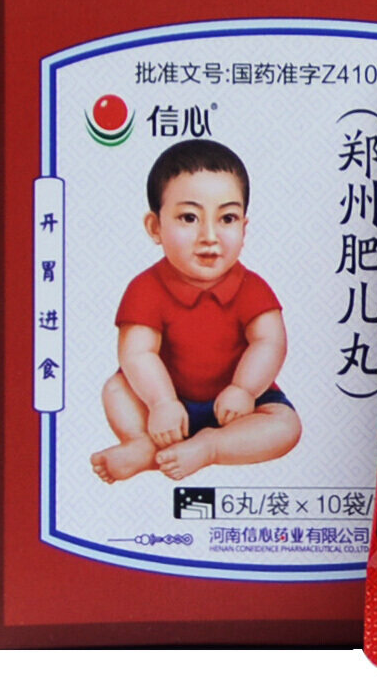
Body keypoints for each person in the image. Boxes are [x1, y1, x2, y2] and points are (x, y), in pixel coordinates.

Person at [91, 139, 301, 483]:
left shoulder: (252, 287)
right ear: (155, 227)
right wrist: (161, 402)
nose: (209, 236)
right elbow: (137, 353)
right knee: (116, 389)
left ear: (244, 228)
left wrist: (244, 389)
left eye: (227, 218)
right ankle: (142, 443)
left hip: (239, 404)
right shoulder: (145, 288)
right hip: (163, 403)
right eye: (189, 218)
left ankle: (211, 446)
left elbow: (270, 342)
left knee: (286, 426)